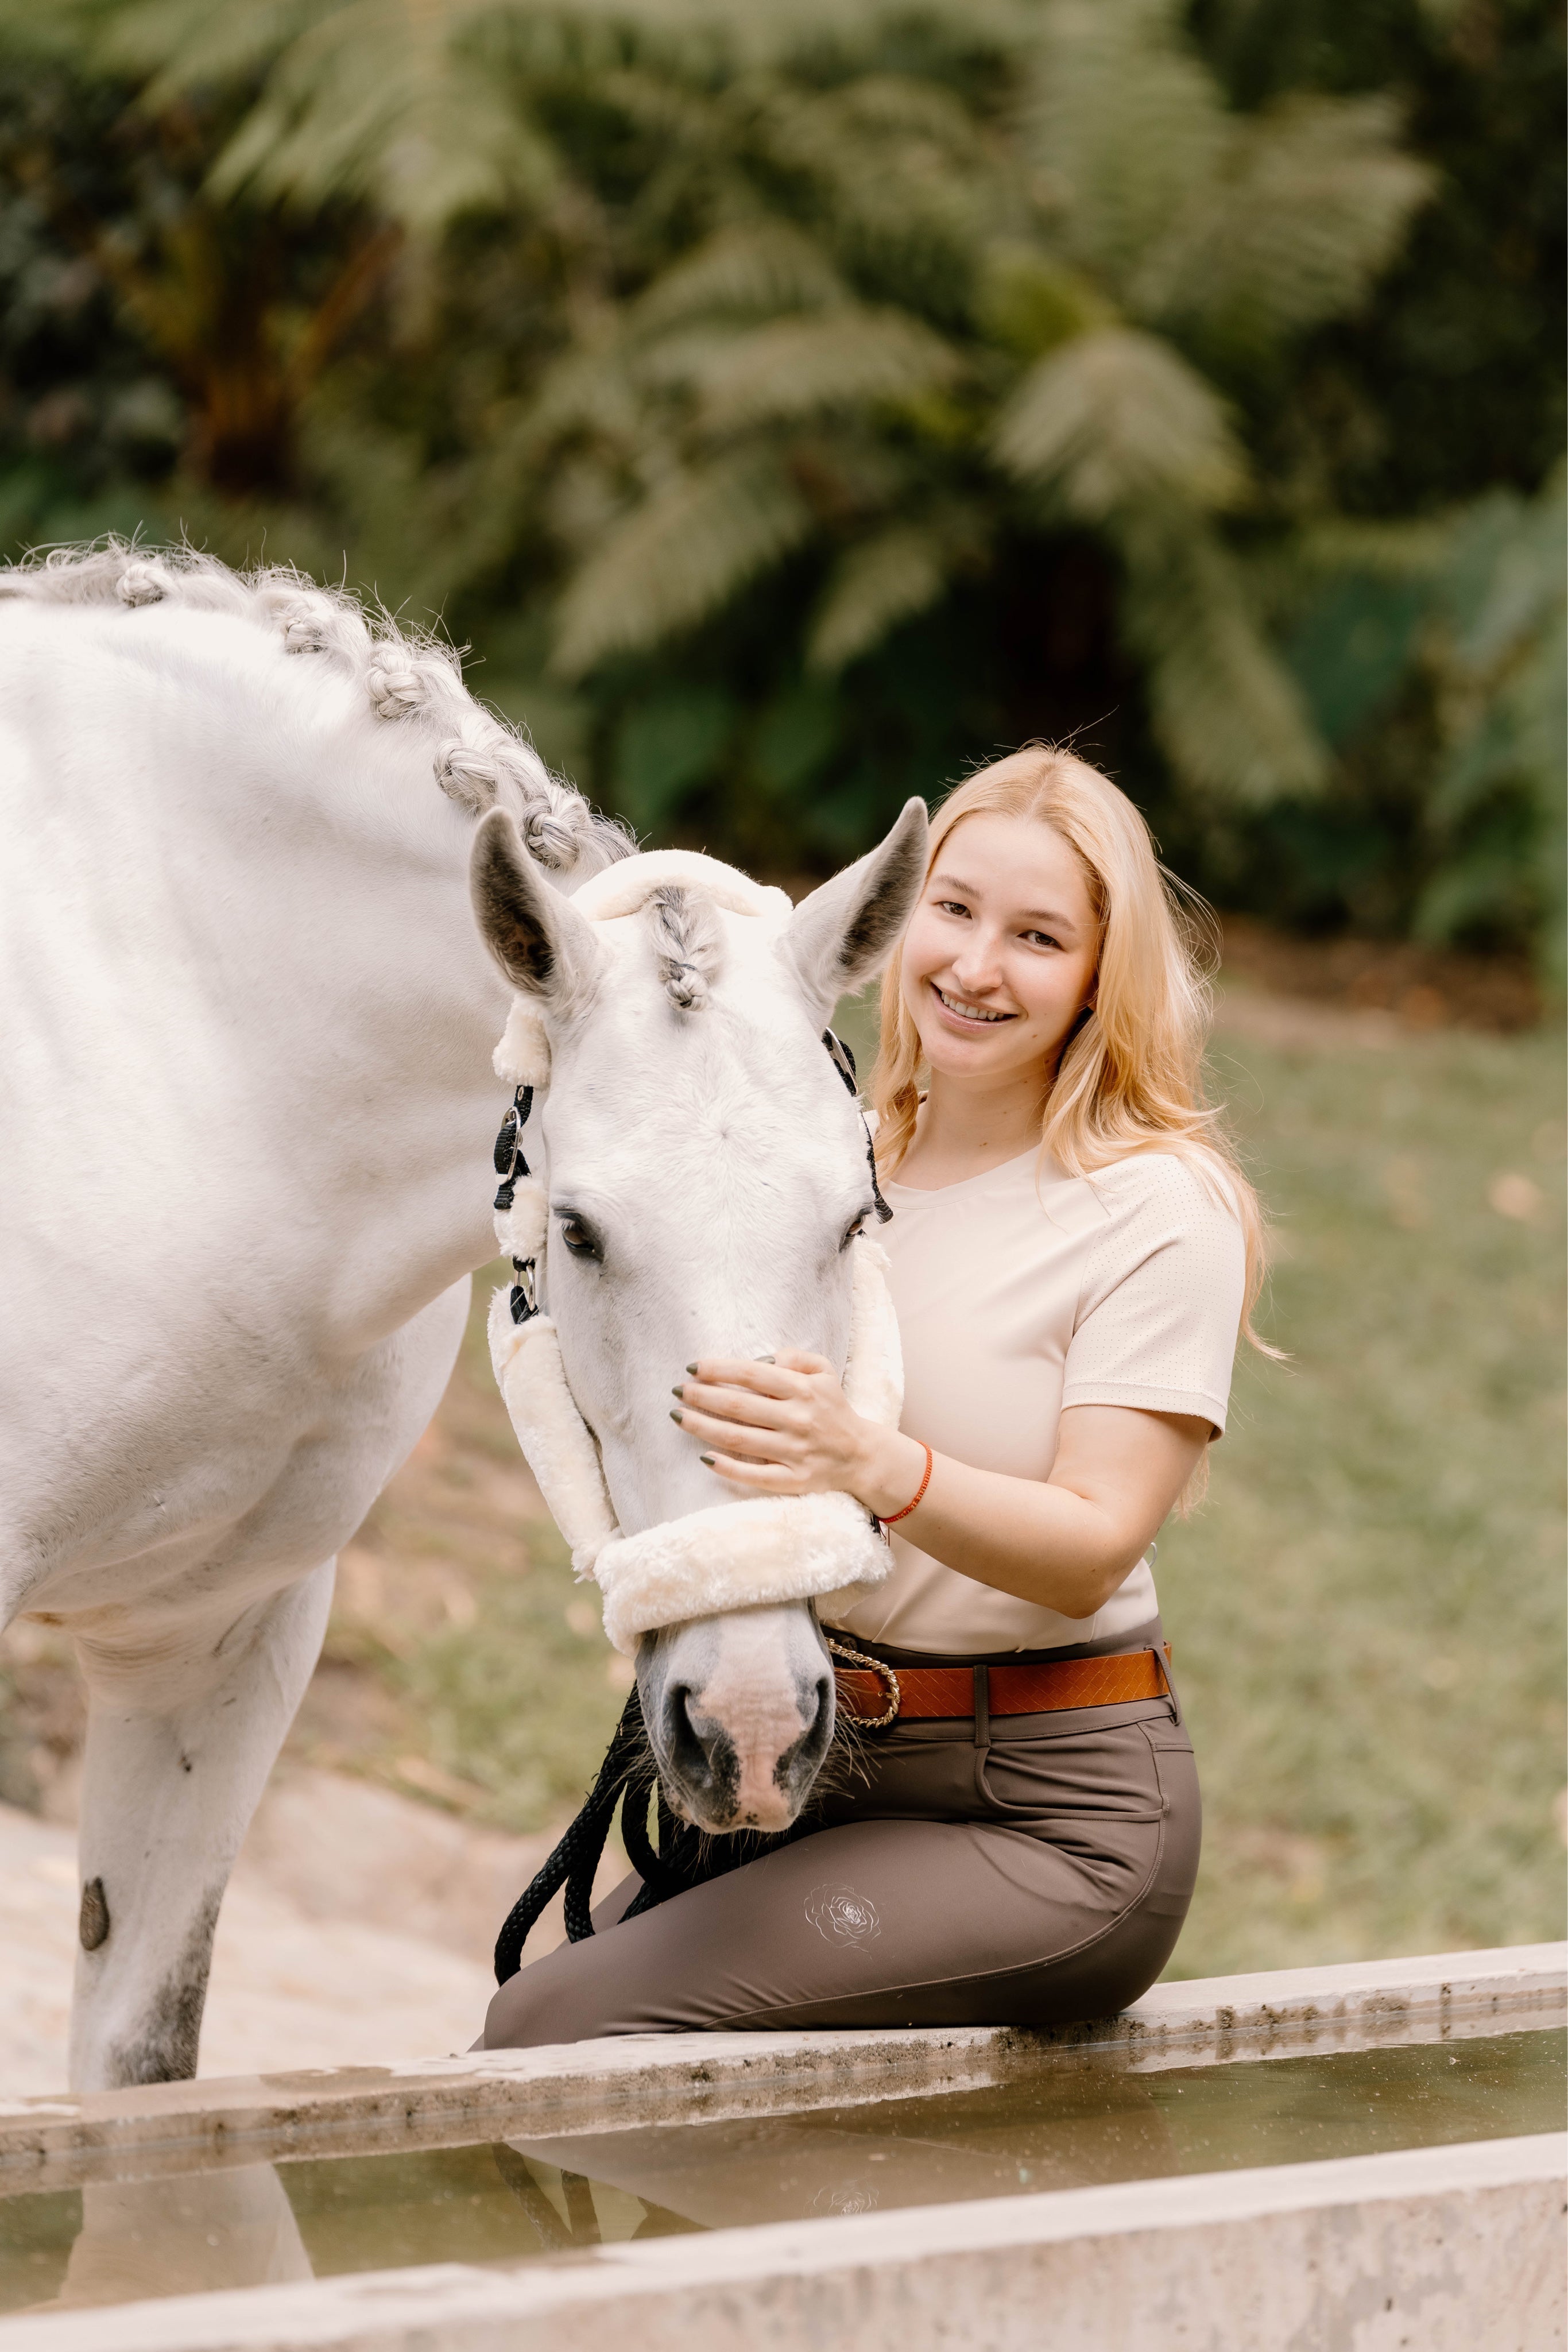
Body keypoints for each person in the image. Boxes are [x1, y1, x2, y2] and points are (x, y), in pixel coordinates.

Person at [479, 745, 1265, 2048]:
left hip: (1042, 1806)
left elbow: (1092, 1547)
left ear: (1099, 974)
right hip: (834, 1760)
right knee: (531, 2014)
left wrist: (866, 1460)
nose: (975, 965)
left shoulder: (1155, 1206)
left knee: (556, 2033)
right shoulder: (838, 1169)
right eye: (953, 910)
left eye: (1038, 937)